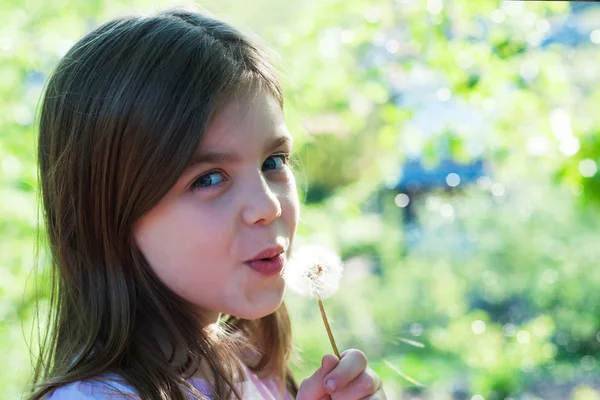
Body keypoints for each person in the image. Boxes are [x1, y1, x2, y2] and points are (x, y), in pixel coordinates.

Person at [27, 8, 386, 400]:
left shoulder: (255, 374)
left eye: (274, 162)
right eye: (209, 179)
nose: (268, 206)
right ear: (108, 213)